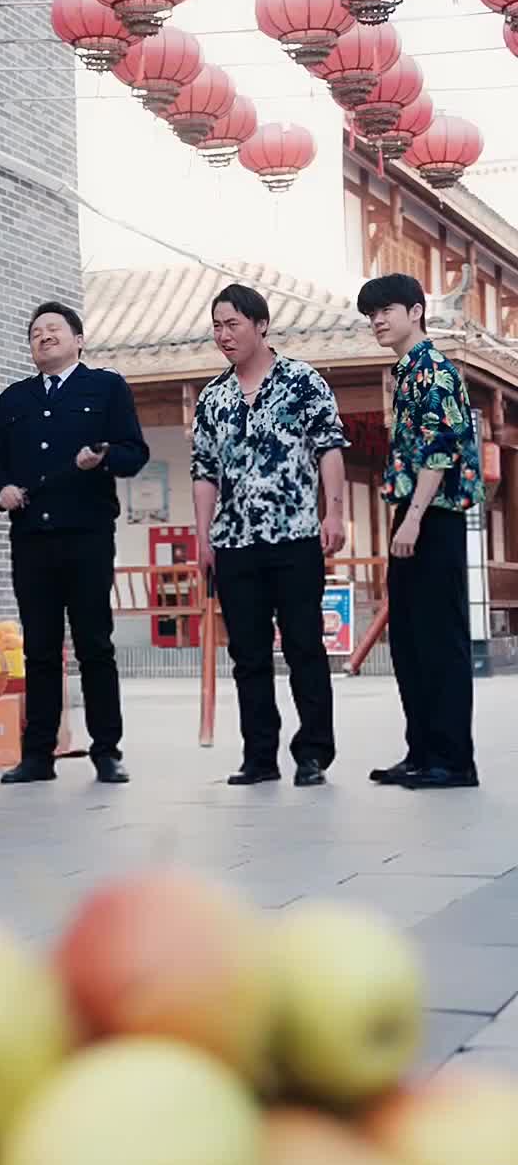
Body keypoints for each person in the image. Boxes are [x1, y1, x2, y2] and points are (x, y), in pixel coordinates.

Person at [0, 301, 148, 786]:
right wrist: (1, 491)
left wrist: (104, 457)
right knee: (39, 648)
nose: (44, 336)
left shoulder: (106, 388)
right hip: (31, 538)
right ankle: (38, 755)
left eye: (54, 328)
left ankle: (107, 751)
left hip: (88, 534)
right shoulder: (13, 399)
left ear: (79, 340)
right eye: (36, 332)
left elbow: (134, 453)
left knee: (94, 644)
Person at [192, 283, 348, 788]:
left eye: (232, 324)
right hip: (235, 544)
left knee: (304, 646)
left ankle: (313, 753)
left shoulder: (302, 381)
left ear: (260, 325)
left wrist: (334, 515)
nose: (224, 335)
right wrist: (203, 539)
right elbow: (204, 472)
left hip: (295, 537)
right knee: (248, 655)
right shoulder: (213, 397)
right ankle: (259, 756)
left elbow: (329, 449)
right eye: (217, 326)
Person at [357, 272, 483, 790]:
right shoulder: (407, 373)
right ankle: (422, 752)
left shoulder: (434, 370)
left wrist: (412, 518)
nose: (377, 320)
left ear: (415, 311)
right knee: (410, 640)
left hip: (433, 516)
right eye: (371, 314)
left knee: (439, 639)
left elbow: (440, 450)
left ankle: (452, 760)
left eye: (386, 310)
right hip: (412, 513)